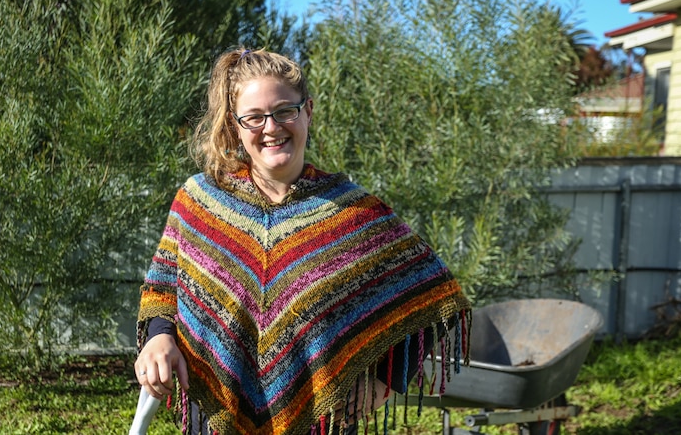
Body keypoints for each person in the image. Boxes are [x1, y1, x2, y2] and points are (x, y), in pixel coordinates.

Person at [134, 47, 471, 435]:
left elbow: (432, 298)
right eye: (254, 117)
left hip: (321, 423)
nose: (272, 127)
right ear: (235, 123)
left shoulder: (354, 213)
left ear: (307, 110)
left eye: (284, 111)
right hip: (212, 423)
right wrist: (158, 339)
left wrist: (385, 382)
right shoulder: (199, 202)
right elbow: (164, 287)